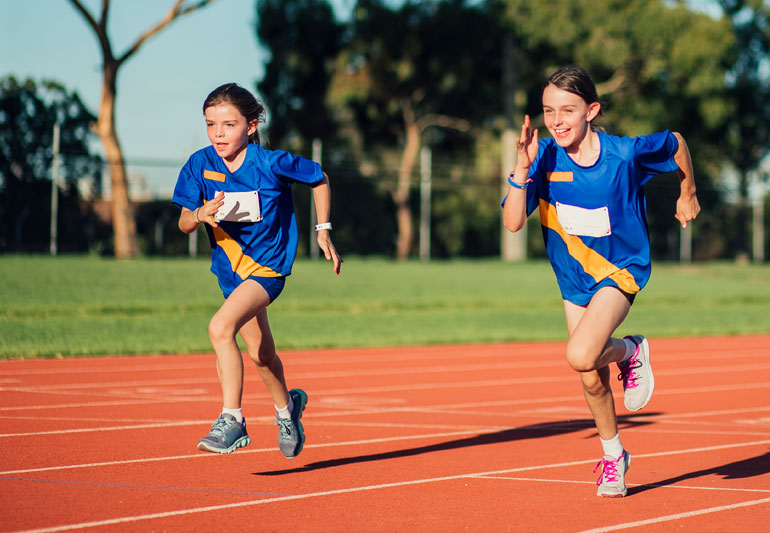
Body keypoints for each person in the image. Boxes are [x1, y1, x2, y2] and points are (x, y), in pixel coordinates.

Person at [502, 66, 700, 497]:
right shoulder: (543, 160)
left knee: (580, 353)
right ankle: (614, 456)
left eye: (568, 110)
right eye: (548, 111)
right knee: (590, 375)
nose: (557, 120)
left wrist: (688, 193)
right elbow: (513, 222)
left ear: (591, 110)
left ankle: (631, 349)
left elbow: (677, 142)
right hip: (573, 279)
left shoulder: (625, 154)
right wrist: (521, 166)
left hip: (621, 270)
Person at [172, 82, 342, 459]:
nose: (218, 133)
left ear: (250, 126)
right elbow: (184, 221)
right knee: (261, 354)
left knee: (219, 327)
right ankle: (288, 411)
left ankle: (231, 419)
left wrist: (323, 230)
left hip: (268, 269)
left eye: (228, 125)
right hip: (231, 273)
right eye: (211, 124)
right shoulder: (200, 164)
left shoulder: (270, 163)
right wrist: (200, 213)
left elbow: (319, 178)